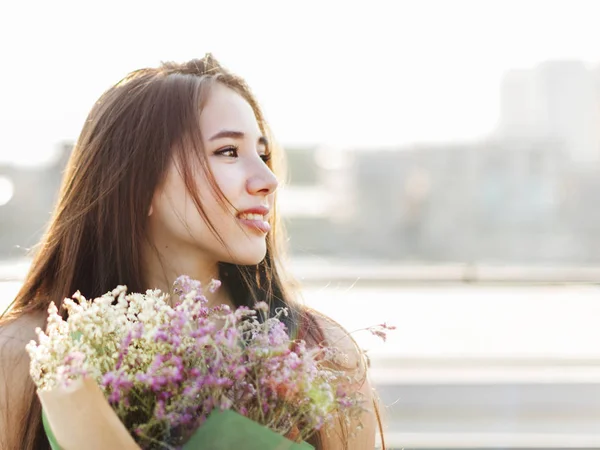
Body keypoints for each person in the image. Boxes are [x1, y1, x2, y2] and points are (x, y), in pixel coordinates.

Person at [0, 55, 384, 450]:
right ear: (138, 183)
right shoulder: (20, 357)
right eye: (229, 152)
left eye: (263, 154)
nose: (268, 180)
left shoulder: (321, 353)